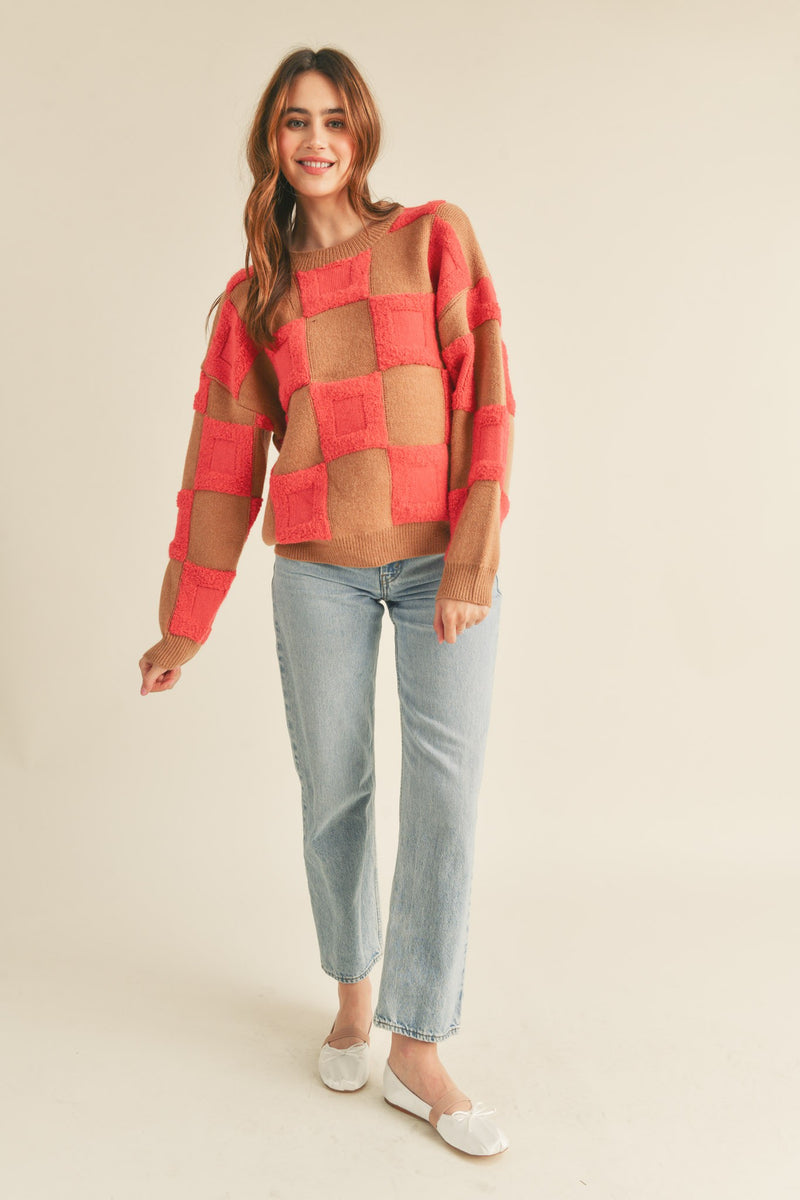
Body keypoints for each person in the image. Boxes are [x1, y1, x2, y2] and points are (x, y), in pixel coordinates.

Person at [138, 46, 515, 1157]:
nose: (315, 140)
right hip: (317, 572)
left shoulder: (431, 238)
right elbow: (221, 464)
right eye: (296, 121)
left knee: (444, 796)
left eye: (334, 120)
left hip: (436, 564)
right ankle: (352, 1002)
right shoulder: (255, 297)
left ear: (361, 135)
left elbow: (484, 398)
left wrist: (469, 563)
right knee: (335, 790)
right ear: (272, 139)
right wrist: (183, 625)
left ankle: (418, 1046)